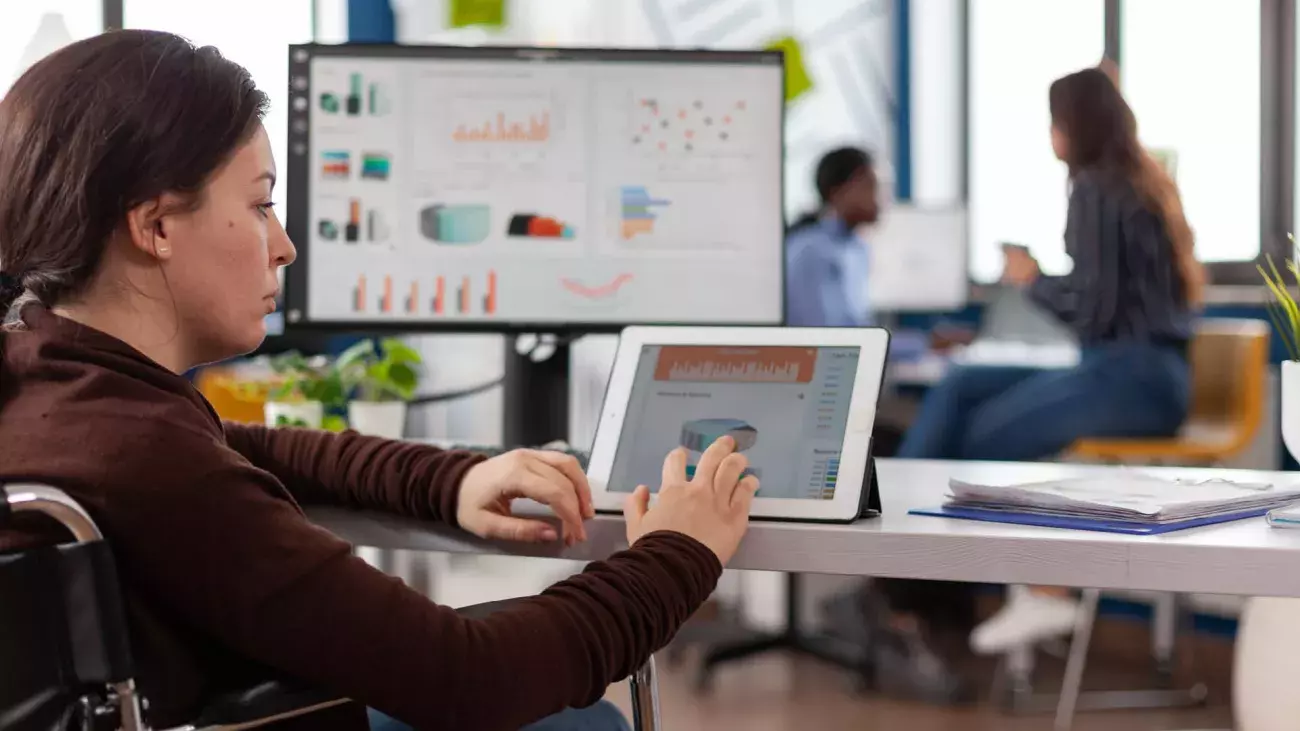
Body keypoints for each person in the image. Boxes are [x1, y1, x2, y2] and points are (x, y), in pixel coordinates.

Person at [0, 30, 760, 731]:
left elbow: (238, 447)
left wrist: (449, 481)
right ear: (157, 225)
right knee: (587, 719)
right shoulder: (151, 461)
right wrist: (680, 553)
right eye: (261, 205)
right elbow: (472, 678)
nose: (287, 245)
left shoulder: (56, 389)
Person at [898, 63, 1205, 652]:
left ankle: (1034, 590)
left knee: (983, 436)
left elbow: (1091, 315)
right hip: (1143, 374)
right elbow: (1105, 301)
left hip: (1130, 376)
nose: (1049, 135)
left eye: (1053, 122)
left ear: (1073, 126)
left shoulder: (1094, 188)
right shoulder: (1137, 182)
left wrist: (1031, 278)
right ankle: (907, 553)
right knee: (962, 384)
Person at [784, 147, 879, 328]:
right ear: (837, 192)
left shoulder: (858, 248)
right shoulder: (810, 251)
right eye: (869, 186)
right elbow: (827, 338)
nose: (879, 198)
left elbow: (861, 330)